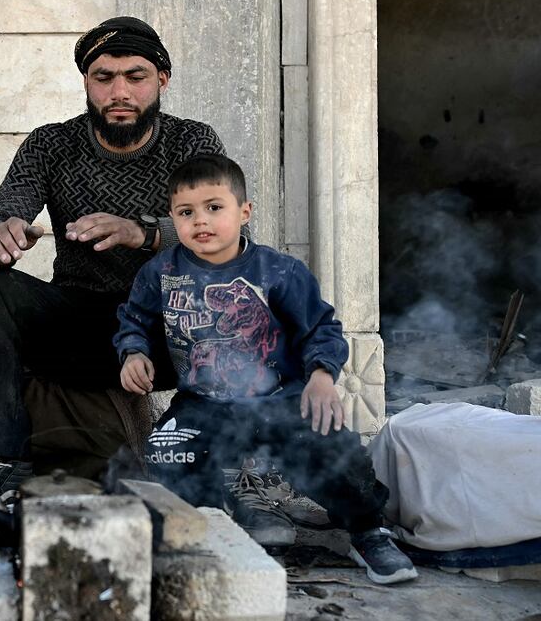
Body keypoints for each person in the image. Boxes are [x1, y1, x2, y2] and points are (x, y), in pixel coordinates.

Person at [0, 17, 224, 500]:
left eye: (135, 77)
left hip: (167, 328)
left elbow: (227, 239)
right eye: (104, 77)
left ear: (161, 80)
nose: (120, 91)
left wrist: (142, 234)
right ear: (86, 82)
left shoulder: (192, 144)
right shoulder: (50, 145)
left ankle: (189, 452)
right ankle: (1, 459)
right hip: (79, 325)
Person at [113, 154, 419, 584]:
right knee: (166, 450)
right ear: (172, 218)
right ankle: (213, 525)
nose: (200, 221)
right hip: (204, 401)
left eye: (214, 208)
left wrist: (321, 376)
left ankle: (367, 531)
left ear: (244, 211)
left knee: (331, 444)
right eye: (186, 212)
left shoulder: (279, 271)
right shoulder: (159, 273)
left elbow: (321, 329)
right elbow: (135, 319)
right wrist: (133, 353)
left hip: (279, 396)